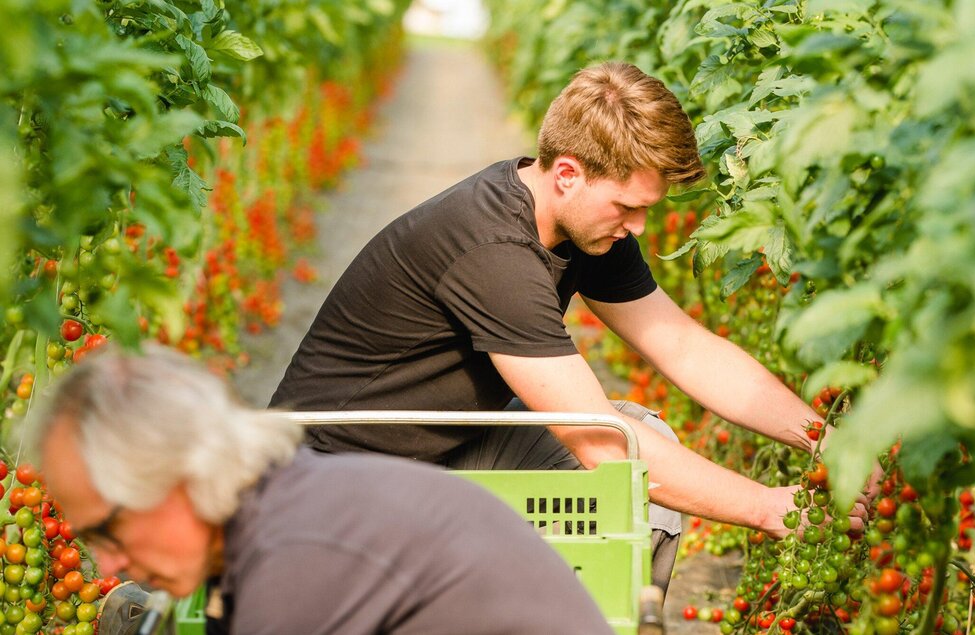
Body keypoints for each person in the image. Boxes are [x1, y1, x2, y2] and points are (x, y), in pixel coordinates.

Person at [270, 61, 865, 592]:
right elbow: (598, 446)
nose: (636, 227)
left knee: (641, 432)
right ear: (568, 175)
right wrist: (769, 508)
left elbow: (685, 348)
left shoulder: (582, 227)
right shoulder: (494, 251)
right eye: (626, 206)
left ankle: (609, 611)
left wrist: (825, 439)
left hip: (437, 447)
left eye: (645, 210)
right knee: (623, 452)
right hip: (332, 480)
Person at [29, 344, 613, 635]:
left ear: (178, 475)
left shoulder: (297, 560)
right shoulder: (286, 505)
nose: (106, 561)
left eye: (109, 529)